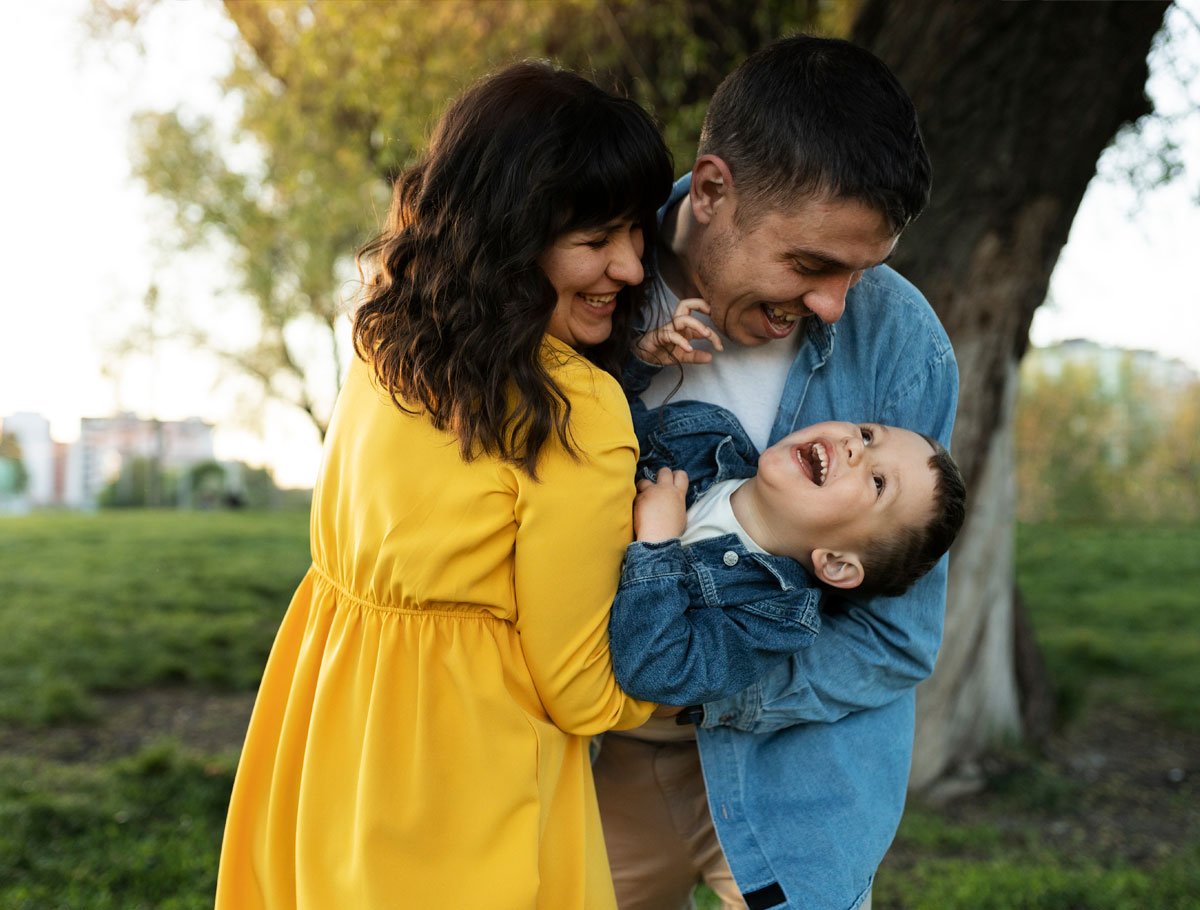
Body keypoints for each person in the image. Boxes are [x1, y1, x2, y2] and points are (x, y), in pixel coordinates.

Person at [215, 61, 674, 910]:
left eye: (638, 234)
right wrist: (664, 594)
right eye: (596, 238)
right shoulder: (577, 411)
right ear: (513, 231)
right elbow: (580, 691)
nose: (634, 268)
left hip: (328, 745)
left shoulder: (382, 342)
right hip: (465, 793)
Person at [592, 36, 956, 910]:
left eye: (861, 270)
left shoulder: (903, 347)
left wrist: (693, 678)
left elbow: (899, 635)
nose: (835, 302)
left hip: (792, 777)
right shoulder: (588, 277)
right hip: (588, 761)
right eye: (812, 265)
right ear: (712, 190)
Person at [607, 346, 966, 703]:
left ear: (836, 564)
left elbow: (658, 671)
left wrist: (657, 546)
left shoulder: (775, 619)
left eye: (878, 483)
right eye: (869, 435)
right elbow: (596, 420)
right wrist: (640, 362)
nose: (854, 445)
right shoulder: (707, 435)